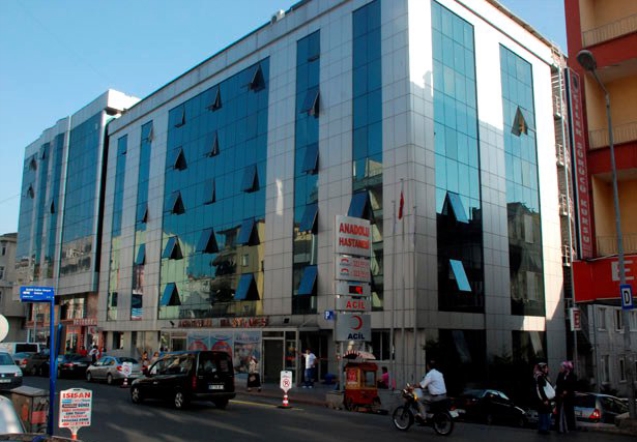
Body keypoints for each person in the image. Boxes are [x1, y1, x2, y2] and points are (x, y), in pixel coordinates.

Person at [555, 360, 577, 433]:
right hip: (561, 398)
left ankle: (569, 427)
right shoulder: (561, 375)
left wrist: (567, 391)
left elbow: (572, 386)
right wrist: (561, 392)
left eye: (562, 367)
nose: (561, 368)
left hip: (568, 398)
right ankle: (560, 427)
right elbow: (558, 384)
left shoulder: (572, 376)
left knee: (569, 413)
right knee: (561, 413)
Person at [534, 362, 554, 435]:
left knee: (544, 413)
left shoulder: (542, 376)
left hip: (543, 399)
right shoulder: (540, 377)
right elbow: (541, 389)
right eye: (546, 368)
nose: (547, 369)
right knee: (544, 413)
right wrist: (545, 399)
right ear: (542, 369)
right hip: (543, 399)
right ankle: (544, 428)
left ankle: (543, 428)